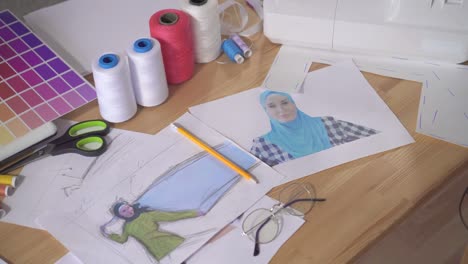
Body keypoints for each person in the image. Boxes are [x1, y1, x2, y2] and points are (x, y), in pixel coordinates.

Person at [250, 90, 379, 166]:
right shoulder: (262, 145)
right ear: (265, 111)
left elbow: (375, 137)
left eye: (285, 103)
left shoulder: (327, 123)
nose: (281, 109)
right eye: (272, 106)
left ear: (294, 104)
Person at [101, 201, 202, 261]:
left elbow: (171, 216)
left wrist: (193, 213)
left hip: (171, 243)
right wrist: (108, 235)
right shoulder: (127, 227)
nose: (129, 211)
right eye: (124, 211)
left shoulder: (147, 215)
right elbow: (122, 239)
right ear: (120, 216)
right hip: (158, 253)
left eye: (128, 207)